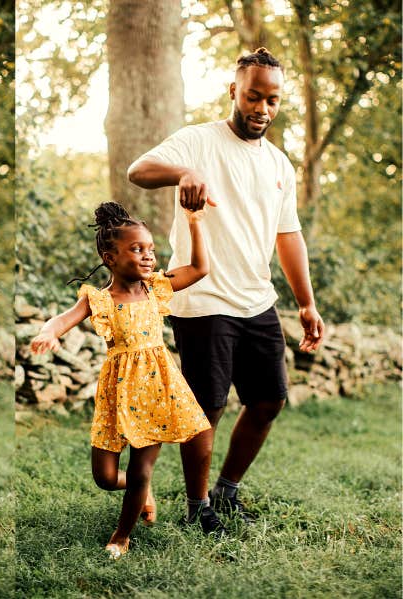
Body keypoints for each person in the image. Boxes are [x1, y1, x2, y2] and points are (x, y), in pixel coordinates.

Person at [127, 47, 325, 535]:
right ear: (233, 91)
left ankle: (227, 491)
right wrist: (184, 173)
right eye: (253, 96)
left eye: (272, 100)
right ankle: (198, 506)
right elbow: (139, 171)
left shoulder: (279, 163)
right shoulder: (197, 141)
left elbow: (288, 235)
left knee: (269, 401)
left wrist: (306, 302)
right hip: (202, 296)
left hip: (257, 298)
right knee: (207, 407)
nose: (262, 109)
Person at [30, 202, 213, 558]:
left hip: (157, 389)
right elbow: (60, 320)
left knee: (141, 468)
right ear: (109, 257)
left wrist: (194, 222)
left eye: (150, 249)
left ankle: (121, 535)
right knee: (105, 477)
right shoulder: (98, 300)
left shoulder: (156, 288)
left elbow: (200, 268)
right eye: (136, 249)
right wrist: (48, 333)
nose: (147, 256)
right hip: (117, 393)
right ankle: (140, 491)